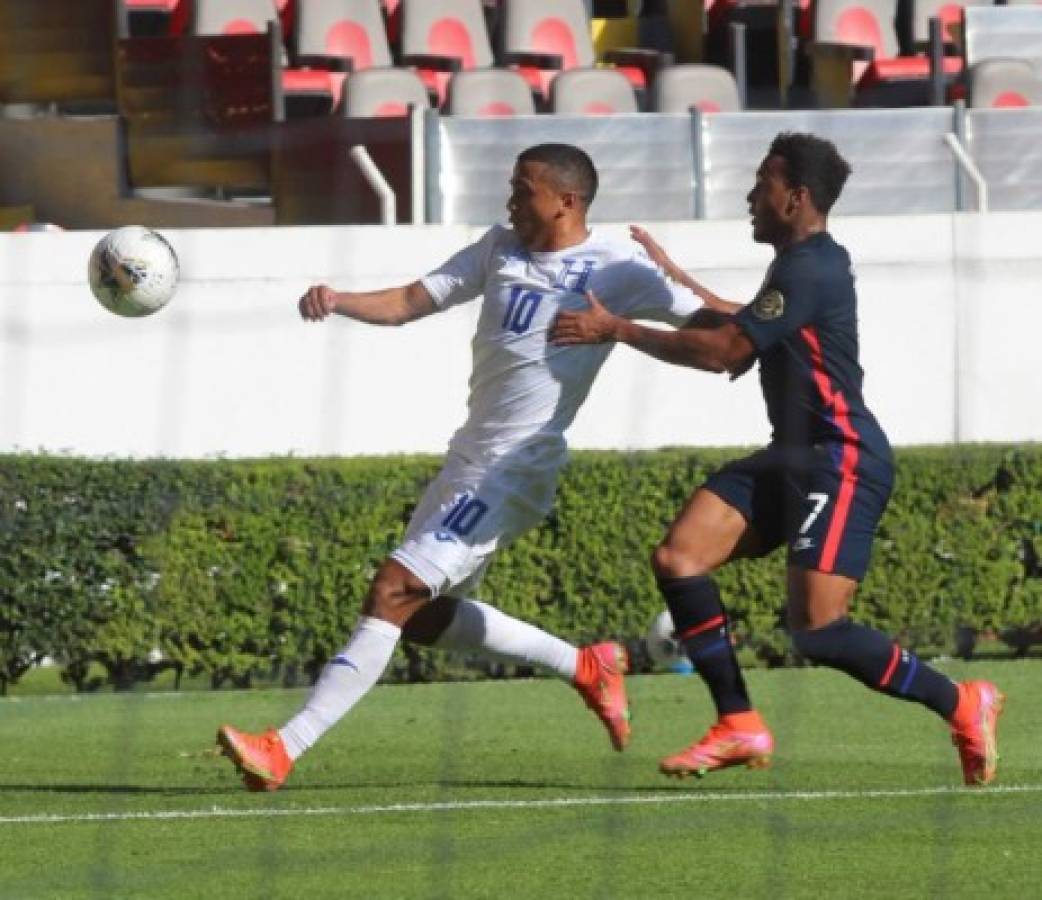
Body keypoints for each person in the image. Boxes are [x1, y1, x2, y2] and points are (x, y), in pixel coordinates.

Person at [217, 142, 705, 791]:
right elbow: (412, 300)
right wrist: (339, 299)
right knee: (416, 615)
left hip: (516, 466)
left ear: (566, 200)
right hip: (469, 459)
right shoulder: (499, 247)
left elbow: (728, 329)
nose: (509, 200)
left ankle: (285, 746)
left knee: (392, 589)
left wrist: (671, 277)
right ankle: (585, 666)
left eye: (521, 188)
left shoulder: (620, 267)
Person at [550, 131, 1004, 787]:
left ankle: (962, 701)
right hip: (790, 457)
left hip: (839, 457)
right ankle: (738, 723)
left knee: (818, 630)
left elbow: (728, 351)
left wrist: (615, 329)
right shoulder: (796, 268)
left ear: (795, 198)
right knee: (680, 557)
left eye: (761, 184)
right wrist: (669, 278)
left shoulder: (812, 267)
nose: (749, 196)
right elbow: (737, 324)